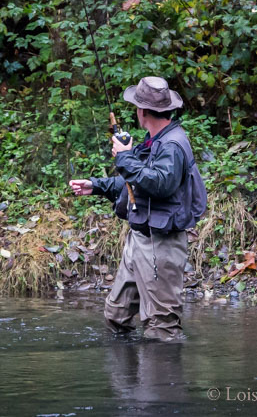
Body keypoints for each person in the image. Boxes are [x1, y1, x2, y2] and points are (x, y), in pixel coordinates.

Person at [69, 76, 207, 342]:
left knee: (163, 327)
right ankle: (130, 381)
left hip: (161, 245)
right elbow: (138, 179)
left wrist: (124, 156)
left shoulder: (173, 145)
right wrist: (96, 186)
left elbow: (160, 184)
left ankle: (160, 381)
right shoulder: (156, 139)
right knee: (116, 317)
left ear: (142, 111)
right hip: (140, 239)